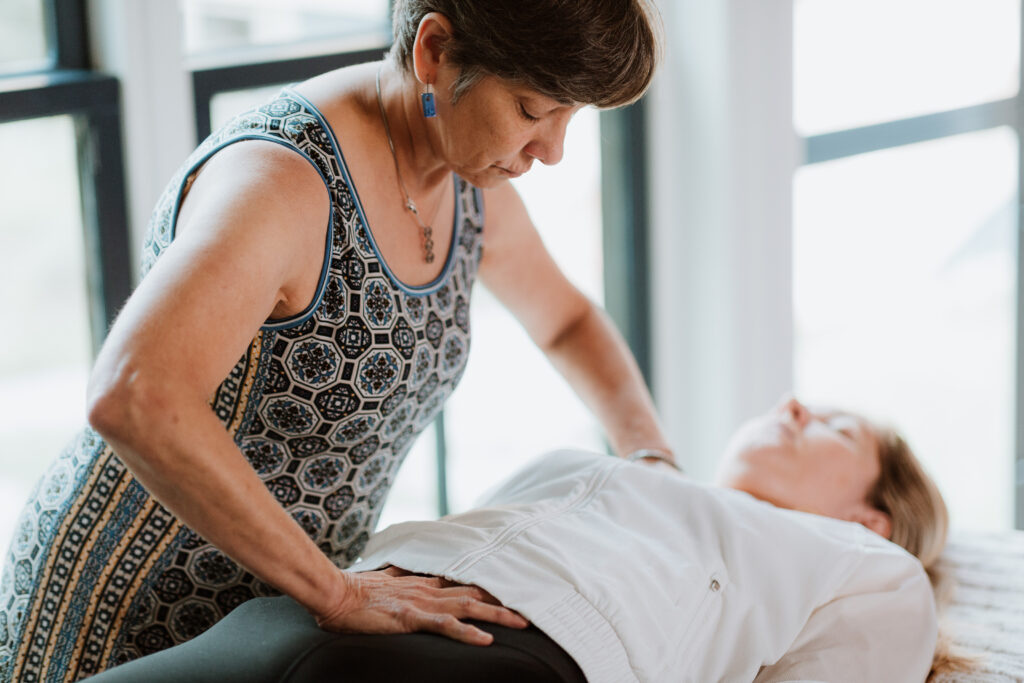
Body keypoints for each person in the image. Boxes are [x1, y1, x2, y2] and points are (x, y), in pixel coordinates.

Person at [0, 2, 671, 681]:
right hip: (121, 611)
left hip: (269, 615)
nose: (553, 151)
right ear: (434, 51)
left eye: (571, 117)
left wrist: (650, 457)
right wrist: (338, 592)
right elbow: (134, 394)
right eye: (533, 110)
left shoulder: (470, 181)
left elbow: (566, 321)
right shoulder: (284, 183)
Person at [83, 396, 950, 683]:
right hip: (318, 606)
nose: (796, 404)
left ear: (869, 514)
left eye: (835, 426)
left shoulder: (874, 567)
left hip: (510, 656)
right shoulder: (621, 471)